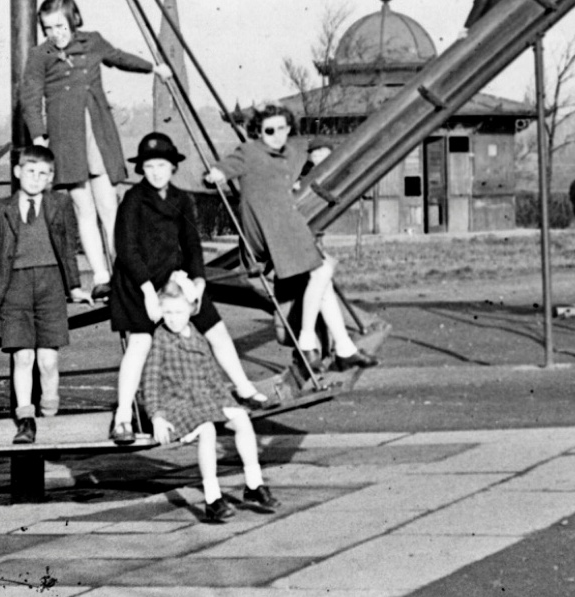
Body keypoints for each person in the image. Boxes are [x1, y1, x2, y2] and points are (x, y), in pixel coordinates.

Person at [107, 132, 268, 445]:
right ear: (142, 169)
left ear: (173, 168)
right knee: (140, 342)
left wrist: (198, 281)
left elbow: (192, 244)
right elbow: (126, 249)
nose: (156, 172)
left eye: (162, 165)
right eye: (150, 166)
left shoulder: (182, 199)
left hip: (173, 280)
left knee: (216, 330)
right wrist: (148, 294)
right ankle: (123, 417)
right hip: (137, 283)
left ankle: (244, 388)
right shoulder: (134, 200)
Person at [20, 0, 172, 300]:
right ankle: (101, 275)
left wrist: (153, 68)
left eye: (60, 26)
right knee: (83, 208)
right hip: (66, 138)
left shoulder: (92, 42)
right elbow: (30, 96)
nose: (55, 34)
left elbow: (119, 57)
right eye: (48, 28)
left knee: (108, 205)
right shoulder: (40, 56)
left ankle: (126, 270)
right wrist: (39, 135)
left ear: (74, 20)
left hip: (97, 132)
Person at [205, 106, 378, 373]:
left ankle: (344, 348)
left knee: (322, 280)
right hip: (266, 229)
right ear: (259, 132)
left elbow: (315, 145)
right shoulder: (250, 152)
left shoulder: (295, 149)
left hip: (287, 225)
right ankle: (307, 340)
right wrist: (215, 174)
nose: (276, 135)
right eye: (269, 131)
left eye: (282, 129)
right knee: (323, 270)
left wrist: (320, 156)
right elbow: (227, 166)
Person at [0, 145, 92, 444]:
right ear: (17, 172)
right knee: (23, 357)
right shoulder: (2, 209)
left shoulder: (60, 205)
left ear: (51, 177)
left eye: (43, 174)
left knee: (48, 361)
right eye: (30, 171)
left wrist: (74, 286)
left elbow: (68, 248)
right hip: (14, 288)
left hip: (50, 285)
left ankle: (50, 413)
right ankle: (26, 419)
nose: (36, 178)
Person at [141, 281, 281, 524]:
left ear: (192, 310)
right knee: (207, 430)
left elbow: (213, 376)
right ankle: (213, 499)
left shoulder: (196, 334)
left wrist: (229, 405)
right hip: (178, 405)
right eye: (167, 313)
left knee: (242, 419)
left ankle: (254, 483)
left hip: (204, 400)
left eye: (179, 312)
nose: (173, 319)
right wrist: (157, 416)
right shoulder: (161, 339)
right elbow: (150, 381)